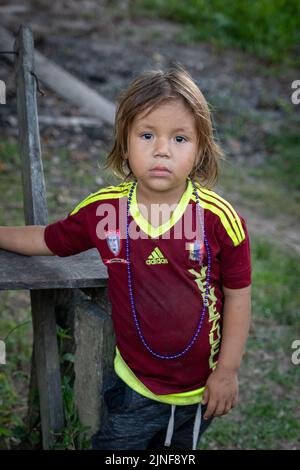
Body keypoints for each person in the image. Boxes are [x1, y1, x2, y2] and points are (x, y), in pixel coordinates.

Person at [0, 65, 251, 450]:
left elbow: (237, 295)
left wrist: (228, 371)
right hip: (135, 386)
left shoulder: (219, 219)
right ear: (125, 141)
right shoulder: (106, 212)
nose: (162, 150)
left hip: (200, 395)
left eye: (180, 138)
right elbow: (49, 239)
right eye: (147, 135)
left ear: (200, 147)